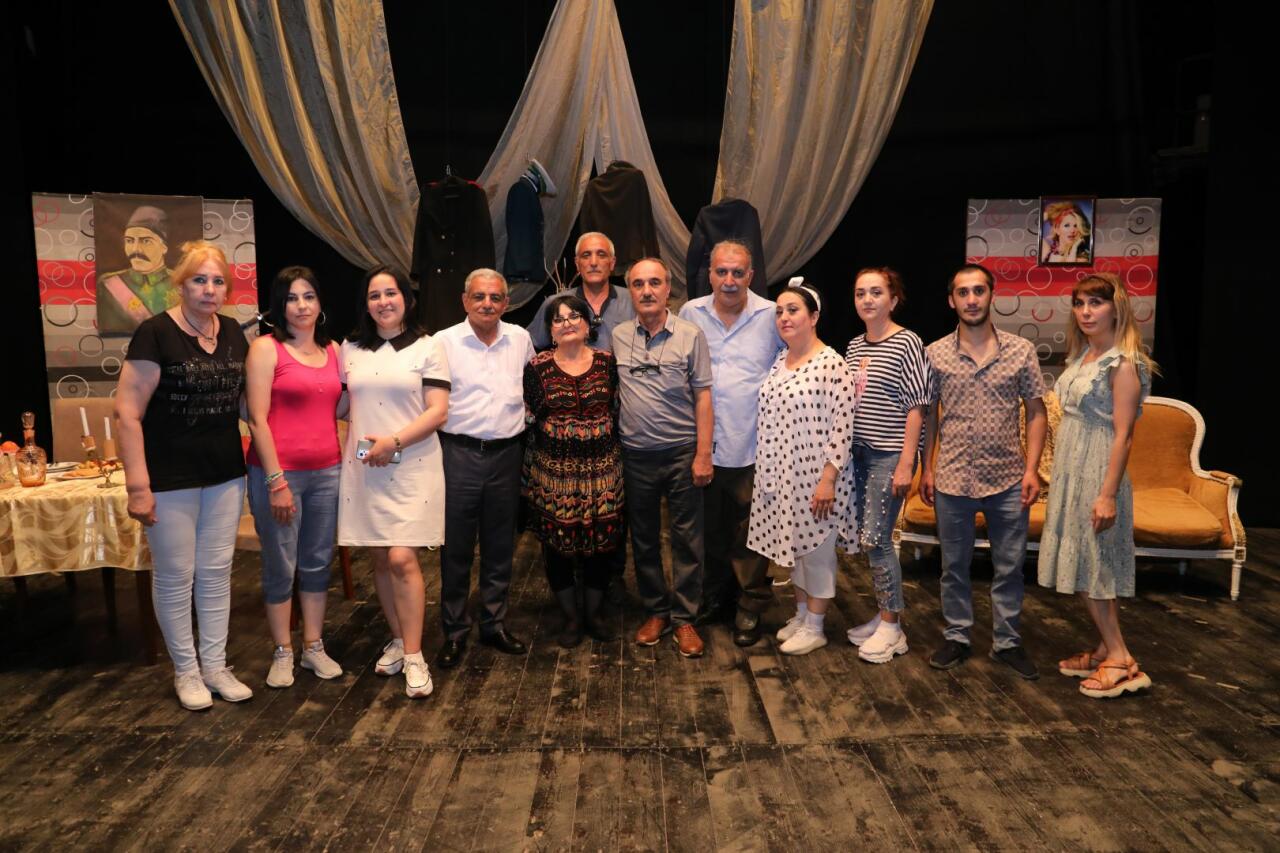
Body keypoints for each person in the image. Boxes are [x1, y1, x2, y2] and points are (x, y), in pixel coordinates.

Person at [115, 240, 252, 710]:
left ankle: (215, 666)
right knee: (176, 576)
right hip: (168, 476)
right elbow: (127, 413)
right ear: (181, 284)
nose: (209, 289)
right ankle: (187, 672)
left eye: (217, 281)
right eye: (199, 280)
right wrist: (138, 486)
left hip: (225, 473)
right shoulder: (154, 333)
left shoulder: (232, 331)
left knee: (216, 573)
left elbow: (247, 404)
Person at [921, 264, 1047, 679]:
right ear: (951, 300)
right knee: (953, 566)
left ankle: (1007, 642)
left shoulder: (1020, 351)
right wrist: (927, 468)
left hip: (1008, 478)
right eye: (963, 292)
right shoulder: (935, 353)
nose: (971, 299)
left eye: (979, 291)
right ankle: (957, 636)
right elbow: (929, 415)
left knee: (1009, 567)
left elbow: (1036, 411)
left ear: (992, 296)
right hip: (952, 477)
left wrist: (1032, 470)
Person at [1038, 273, 1155, 698]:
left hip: (1098, 470)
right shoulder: (1085, 354)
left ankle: (1122, 660)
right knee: (1089, 562)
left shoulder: (1123, 363)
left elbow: (1124, 436)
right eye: (1079, 303)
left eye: (1096, 302)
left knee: (1093, 565)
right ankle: (1106, 646)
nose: (1086, 312)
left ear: (1115, 307)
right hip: (1072, 469)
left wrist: (1106, 495)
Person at [338, 266, 450, 699]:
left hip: (412, 464)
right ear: (366, 304)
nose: (383, 301)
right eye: (374, 295)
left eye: (391, 293)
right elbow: (342, 404)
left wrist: (394, 441)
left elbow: (437, 410)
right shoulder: (350, 348)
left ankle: (416, 656)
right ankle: (399, 639)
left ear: (407, 298)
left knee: (403, 558)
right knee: (381, 559)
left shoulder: (428, 346)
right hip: (366, 468)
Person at [245, 266, 345, 688]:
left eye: (309, 296)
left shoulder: (335, 349)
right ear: (279, 305)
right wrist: (276, 482)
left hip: (328, 472)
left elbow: (339, 407)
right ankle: (283, 650)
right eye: (291, 298)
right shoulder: (265, 349)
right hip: (278, 475)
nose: (301, 306)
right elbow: (256, 419)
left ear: (320, 303)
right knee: (280, 565)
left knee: (318, 562)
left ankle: (313, 646)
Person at [678, 240, 781, 646]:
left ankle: (749, 606)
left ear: (751, 276)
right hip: (702, 445)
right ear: (710, 274)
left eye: (738, 273)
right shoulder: (690, 313)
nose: (730, 280)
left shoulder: (772, 315)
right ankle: (716, 597)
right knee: (709, 531)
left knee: (752, 533)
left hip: (755, 445)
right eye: (722, 271)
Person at [613, 257, 713, 657]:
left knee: (688, 539)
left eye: (654, 282)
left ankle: (685, 617)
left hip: (681, 453)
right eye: (638, 284)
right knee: (644, 539)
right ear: (631, 291)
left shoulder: (691, 335)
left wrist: (703, 453)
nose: (647, 290)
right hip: (636, 456)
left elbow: (703, 396)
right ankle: (656, 611)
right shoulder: (619, 335)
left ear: (668, 288)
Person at [748, 283, 855, 656]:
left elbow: (842, 428)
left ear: (814, 317)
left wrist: (828, 480)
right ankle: (802, 614)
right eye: (779, 311)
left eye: (793, 310)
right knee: (794, 550)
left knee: (818, 554)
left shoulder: (831, 363)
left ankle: (816, 626)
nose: (784, 317)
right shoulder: (781, 359)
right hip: (784, 475)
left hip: (816, 478)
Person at [434, 269, 533, 668]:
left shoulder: (520, 339)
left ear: (506, 303)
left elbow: (531, 388)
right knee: (456, 548)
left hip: (507, 455)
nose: (487, 304)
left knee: (500, 545)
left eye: (495, 297)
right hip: (458, 454)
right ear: (465, 300)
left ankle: (494, 623)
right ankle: (455, 631)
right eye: (479, 297)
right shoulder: (443, 342)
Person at [523, 293, 624, 646]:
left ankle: (594, 615)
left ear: (587, 324)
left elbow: (616, 408)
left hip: (603, 470)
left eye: (574, 316)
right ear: (550, 330)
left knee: (602, 545)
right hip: (555, 474)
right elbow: (531, 417)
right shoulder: (536, 368)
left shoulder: (607, 362)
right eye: (558, 318)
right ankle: (569, 617)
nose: (567, 323)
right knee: (558, 548)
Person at [843, 267, 931, 663]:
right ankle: (883, 615)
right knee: (868, 540)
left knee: (878, 540)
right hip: (858, 454)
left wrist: (906, 463)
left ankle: (893, 628)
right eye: (860, 292)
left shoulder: (907, 342)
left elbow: (917, 406)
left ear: (893, 300)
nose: (867, 299)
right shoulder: (854, 346)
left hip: (889, 455)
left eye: (876, 292)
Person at [527, 232, 635, 353]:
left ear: (612, 263)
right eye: (586, 255)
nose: (593, 263)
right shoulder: (554, 303)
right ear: (577, 264)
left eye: (601, 255)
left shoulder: (633, 300)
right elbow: (527, 347)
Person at [97, 205, 177, 333]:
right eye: (129, 241)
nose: (135, 250)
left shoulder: (181, 283)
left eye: (146, 241)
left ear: (164, 247)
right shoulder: (108, 285)